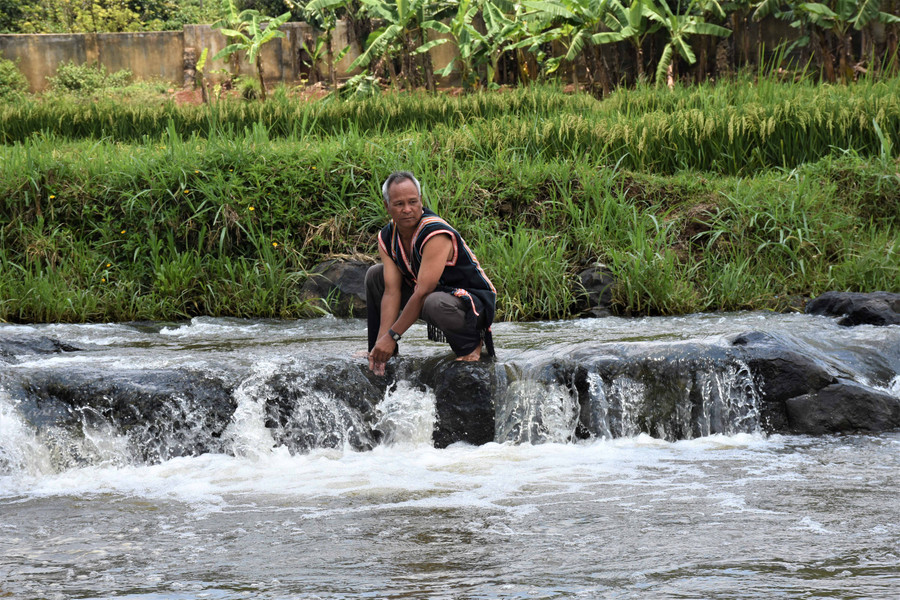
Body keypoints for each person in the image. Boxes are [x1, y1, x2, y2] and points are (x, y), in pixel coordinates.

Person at [366, 171, 496, 375]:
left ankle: (471, 344)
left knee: (433, 301)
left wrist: (393, 336)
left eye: (412, 202)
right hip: (434, 295)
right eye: (399, 204)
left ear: (421, 201)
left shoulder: (435, 232)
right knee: (375, 275)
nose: (407, 210)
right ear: (387, 206)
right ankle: (378, 349)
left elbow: (423, 291)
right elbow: (392, 292)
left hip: (471, 305)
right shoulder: (387, 236)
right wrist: (382, 342)